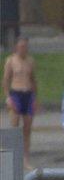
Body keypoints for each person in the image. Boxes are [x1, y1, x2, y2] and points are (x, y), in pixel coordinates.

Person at [3, 36, 37, 168]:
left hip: (28, 95)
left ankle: (25, 158)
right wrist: (8, 97)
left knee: (27, 129)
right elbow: (5, 81)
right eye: (22, 46)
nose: (24, 49)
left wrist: (35, 98)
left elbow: (34, 80)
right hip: (16, 94)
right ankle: (12, 158)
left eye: (26, 46)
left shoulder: (30, 61)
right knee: (14, 128)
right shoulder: (11, 61)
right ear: (17, 47)